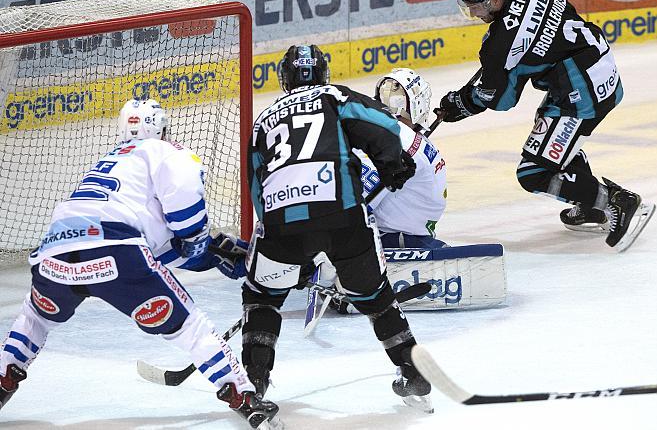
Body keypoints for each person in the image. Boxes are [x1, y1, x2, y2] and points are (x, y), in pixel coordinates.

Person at [0, 99, 282, 430]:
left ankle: (4, 377)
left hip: (53, 255)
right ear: (160, 129)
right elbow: (184, 209)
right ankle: (244, 397)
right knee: (190, 326)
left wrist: (208, 258)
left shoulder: (108, 163)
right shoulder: (163, 151)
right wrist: (203, 245)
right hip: (116, 252)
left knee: (34, 317)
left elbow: (155, 249)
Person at [242, 44, 433, 412]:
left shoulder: (263, 119)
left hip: (283, 221)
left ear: (284, 79)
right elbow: (382, 124)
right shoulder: (335, 96)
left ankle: (255, 381)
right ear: (323, 74)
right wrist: (392, 163)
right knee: (375, 295)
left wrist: (281, 246)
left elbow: (255, 185)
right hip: (343, 215)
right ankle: (412, 369)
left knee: (262, 297)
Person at [436, 0, 654, 251]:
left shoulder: (499, 46)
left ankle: (614, 202)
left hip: (582, 95)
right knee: (552, 141)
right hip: (597, 65)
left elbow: (500, 100)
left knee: (533, 172)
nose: (473, 13)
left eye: (476, 6)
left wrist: (461, 103)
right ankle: (588, 205)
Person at [360, 67, 448, 250]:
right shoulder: (410, 139)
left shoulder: (399, 138)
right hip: (409, 237)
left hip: (395, 239)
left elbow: (360, 198)